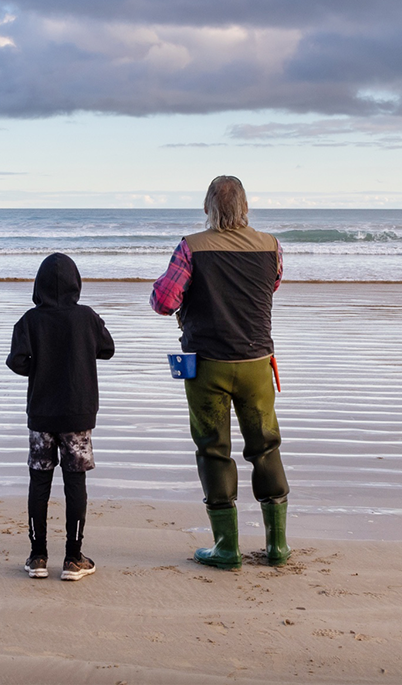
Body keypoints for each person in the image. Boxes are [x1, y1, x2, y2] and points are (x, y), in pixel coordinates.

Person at [150, 175, 291, 569]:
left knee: (213, 450)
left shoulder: (191, 247)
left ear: (208, 208)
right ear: (246, 207)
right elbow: (272, 285)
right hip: (256, 364)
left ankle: (227, 548)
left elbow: (163, 302)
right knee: (265, 445)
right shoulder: (271, 246)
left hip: (207, 364)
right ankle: (277, 546)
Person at [6, 252, 115, 581]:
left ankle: (38, 556)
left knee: (39, 482)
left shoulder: (29, 320)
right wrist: (81, 351)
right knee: (75, 482)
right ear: (76, 284)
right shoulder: (87, 317)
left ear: (38, 285)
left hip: (41, 413)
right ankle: (73, 557)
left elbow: (16, 360)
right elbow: (107, 348)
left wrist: (38, 367)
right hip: (77, 414)